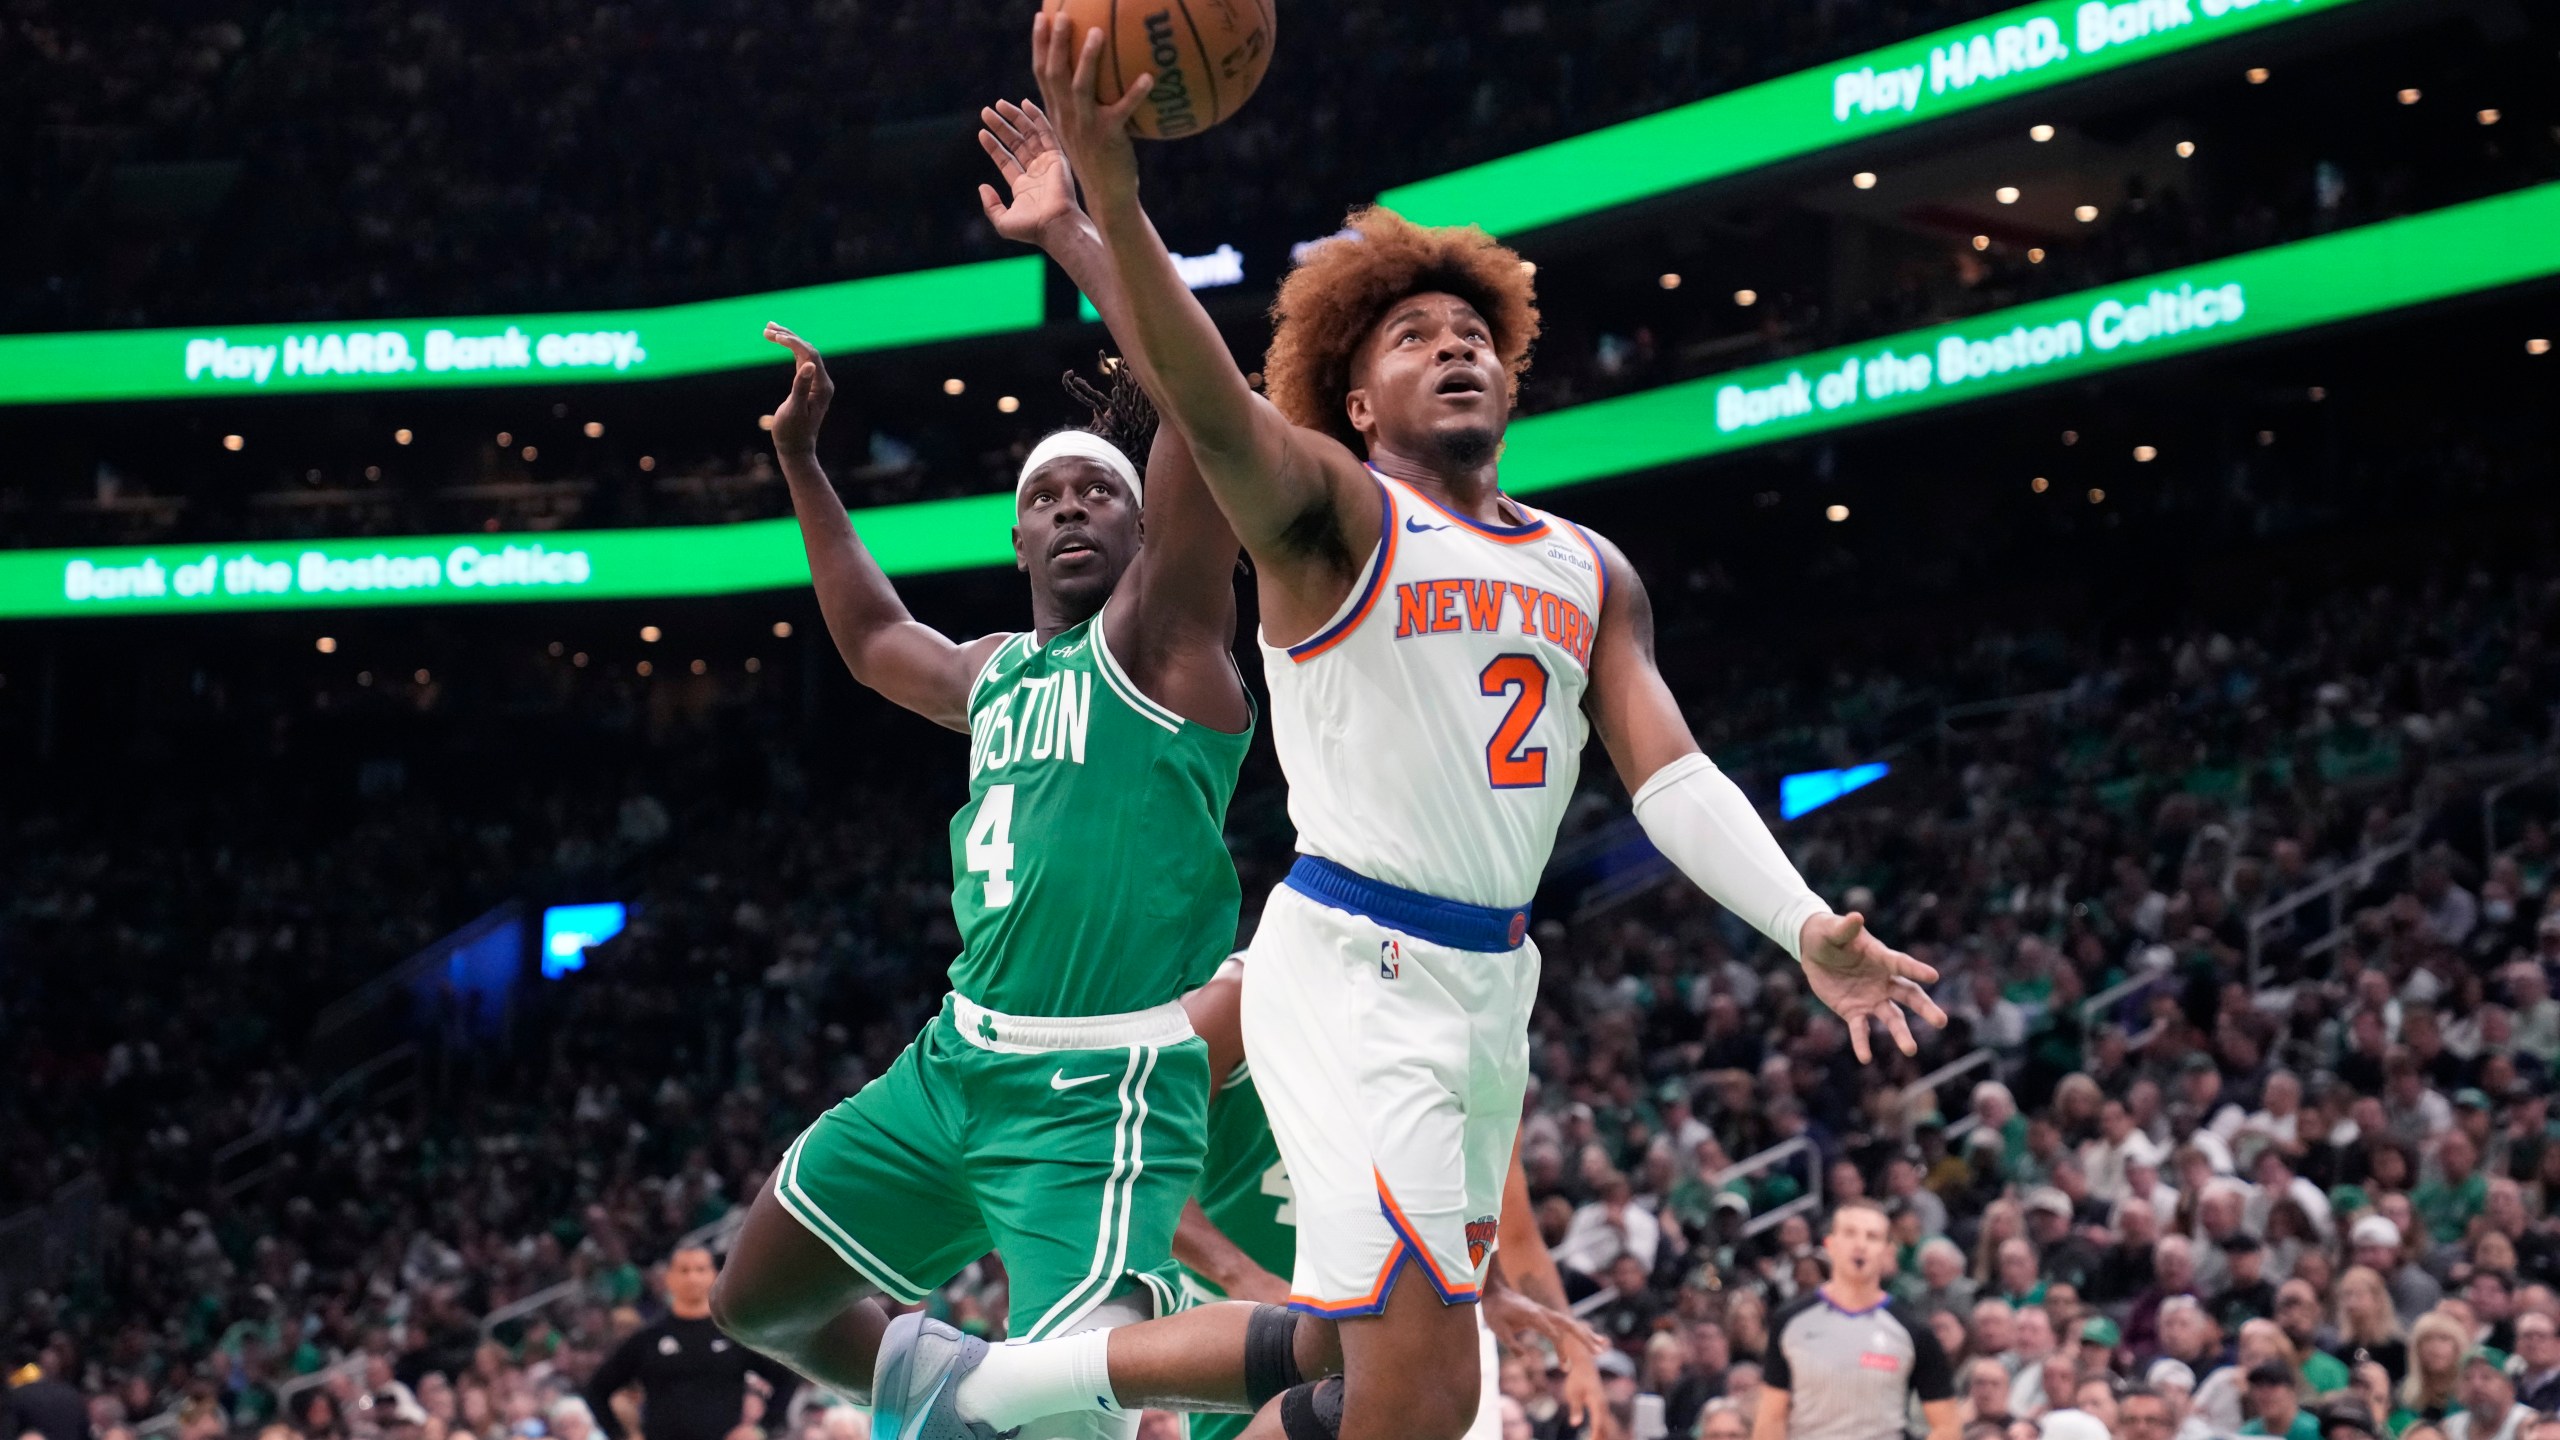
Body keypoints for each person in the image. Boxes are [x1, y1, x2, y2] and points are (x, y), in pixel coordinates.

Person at [870, 19, 1945, 1440]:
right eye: (1416, 340)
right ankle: (991, 1385)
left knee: (1365, 1374)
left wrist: (1806, 928)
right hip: (1349, 966)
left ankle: (977, 1381)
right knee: (1424, 1395)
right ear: (1356, 398)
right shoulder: (1332, 516)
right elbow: (1201, 393)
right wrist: (1105, 218)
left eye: (1475, 338)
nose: (1455, 352)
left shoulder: (1588, 569)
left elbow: (1671, 775)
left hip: (1490, 986)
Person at [708, 98, 1256, 1436]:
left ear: (1149, 533)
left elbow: (1197, 403)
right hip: (957, 1059)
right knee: (757, 1300)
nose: (1073, 508)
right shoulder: (995, 672)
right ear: (1016, 541)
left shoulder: (1172, 645)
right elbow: (872, 636)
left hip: (1098, 1086)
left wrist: (1073, 226)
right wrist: (802, 465)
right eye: (1048, 500)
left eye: (1101, 496)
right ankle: (950, 1397)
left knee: (1078, 1416)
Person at [1164, 955, 1603, 1440]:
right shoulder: (1245, 992)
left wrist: (1493, 1284)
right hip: (1250, 1312)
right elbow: (1140, 1163)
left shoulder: (1449, 1002)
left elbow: (1472, 1179)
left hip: (1395, 1313)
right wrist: (1242, 1276)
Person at [1755, 1202, 1961, 1440]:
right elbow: (1770, 1418)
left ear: (1887, 1252)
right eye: (1850, 1233)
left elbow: (1947, 1426)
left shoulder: (1914, 1331)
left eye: (1872, 1237)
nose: (1860, 1245)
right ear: (1830, 1245)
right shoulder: (1789, 1322)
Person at [586, 1249, 802, 1440]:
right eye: (684, 1270)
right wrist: (620, 1435)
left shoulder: (734, 1335)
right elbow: (597, 1389)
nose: (692, 1278)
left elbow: (787, 1377)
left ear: (714, 1276)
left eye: (700, 1270)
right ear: (669, 1278)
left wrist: (762, 1429)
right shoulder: (648, 1338)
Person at [2440, 1352, 2526, 1440]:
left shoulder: (2528, 1425)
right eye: (2467, 1378)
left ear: (2509, 1388)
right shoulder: (2450, 1427)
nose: (2476, 1385)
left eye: (2486, 1377)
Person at [2241, 1363, 2320, 1440]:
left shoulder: (2314, 1431)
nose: (2265, 1395)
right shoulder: (2247, 1434)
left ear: (2292, 1390)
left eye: (2272, 1386)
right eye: (2259, 1387)